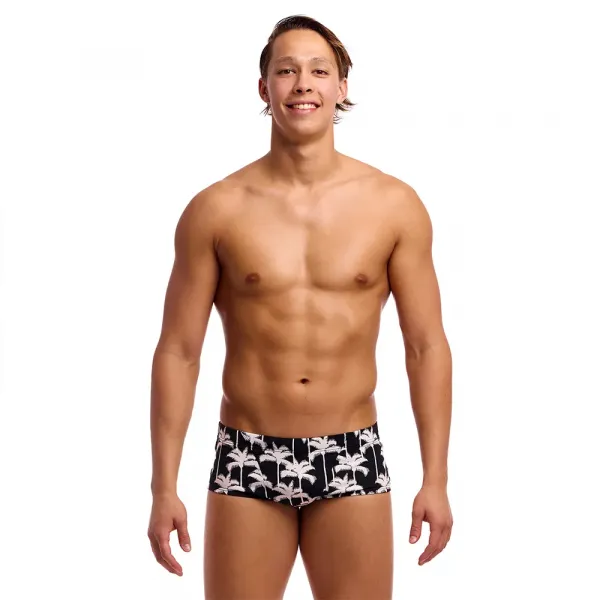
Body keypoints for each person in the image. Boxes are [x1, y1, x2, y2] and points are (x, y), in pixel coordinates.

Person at [147, 14, 453, 600]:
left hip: (350, 452)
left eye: (319, 71)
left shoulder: (393, 205)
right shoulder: (216, 209)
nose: (303, 83)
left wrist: (435, 477)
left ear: (341, 87)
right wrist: (164, 487)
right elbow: (179, 352)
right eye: (286, 71)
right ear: (264, 88)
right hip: (248, 453)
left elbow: (425, 346)